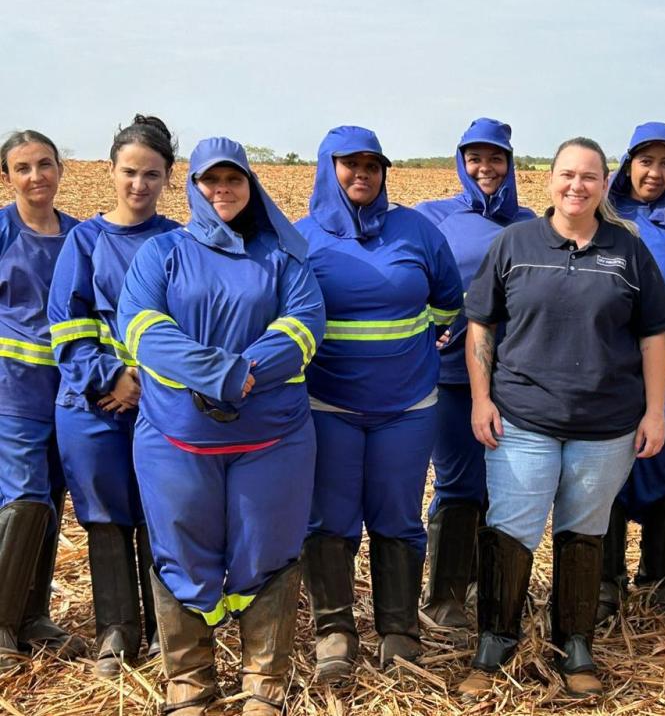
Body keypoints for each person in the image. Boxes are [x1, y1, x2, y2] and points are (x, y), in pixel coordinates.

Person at [457, 137, 665, 698]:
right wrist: (481, 398)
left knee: (584, 531)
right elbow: (481, 323)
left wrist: (655, 411)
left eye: (589, 176)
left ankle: (575, 643)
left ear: (604, 185)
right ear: (549, 179)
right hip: (523, 417)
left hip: (606, 425)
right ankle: (495, 642)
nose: (577, 186)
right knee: (510, 529)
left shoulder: (628, 252)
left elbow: (653, 336)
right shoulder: (515, 243)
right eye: (567, 175)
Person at [118, 137, 325, 716]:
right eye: (211, 180)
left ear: (250, 186)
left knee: (268, 547)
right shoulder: (161, 253)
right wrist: (219, 374)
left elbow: (305, 324)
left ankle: (264, 682)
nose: (222, 190)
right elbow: (140, 326)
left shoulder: (281, 255)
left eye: (234, 180)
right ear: (194, 186)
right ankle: (189, 682)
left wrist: (244, 373)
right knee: (181, 548)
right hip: (177, 438)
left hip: (272, 440)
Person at [297, 126, 463, 679]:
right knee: (330, 517)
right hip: (329, 405)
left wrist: (414, 346)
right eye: (350, 164)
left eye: (372, 165)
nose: (362, 174)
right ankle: (335, 632)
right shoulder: (301, 239)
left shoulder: (416, 230)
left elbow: (447, 302)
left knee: (397, 514)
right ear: (328, 168)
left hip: (407, 406)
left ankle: (398, 628)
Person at [48, 115, 180, 677]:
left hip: (159, 405)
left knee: (159, 513)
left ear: (169, 177)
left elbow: (190, 325)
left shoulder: (178, 241)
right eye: (129, 172)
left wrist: (146, 382)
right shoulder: (84, 241)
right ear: (111, 171)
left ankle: (166, 633)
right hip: (92, 406)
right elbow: (66, 326)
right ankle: (116, 633)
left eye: (151, 174)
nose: (139, 184)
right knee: (104, 517)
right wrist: (110, 377)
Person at [414, 118, 535, 629]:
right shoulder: (432, 217)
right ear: (461, 162)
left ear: (510, 162)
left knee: (501, 484)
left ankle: (487, 587)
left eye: (496, 158)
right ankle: (443, 597)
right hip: (450, 376)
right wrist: (429, 329)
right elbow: (409, 280)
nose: (486, 168)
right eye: (475, 158)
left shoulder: (530, 224)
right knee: (458, 480)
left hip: (513, 377)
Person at [598, 121, 665, 621]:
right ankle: (606, 579)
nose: (655, 173)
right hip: (612, 361)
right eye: (646, 161)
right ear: (628, 164)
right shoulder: (605, 216)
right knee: (608, 463)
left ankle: (660, 579)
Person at [0, 131, 82, 672]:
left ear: (59, 169)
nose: (36, 176)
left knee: (50, 500)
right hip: (11, 390)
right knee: (25, 497)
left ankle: (32, 617)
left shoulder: (78, 235)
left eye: (45, 164)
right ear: (7, 176)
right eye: (23, 167)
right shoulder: (3, 229)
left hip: (68, 392)